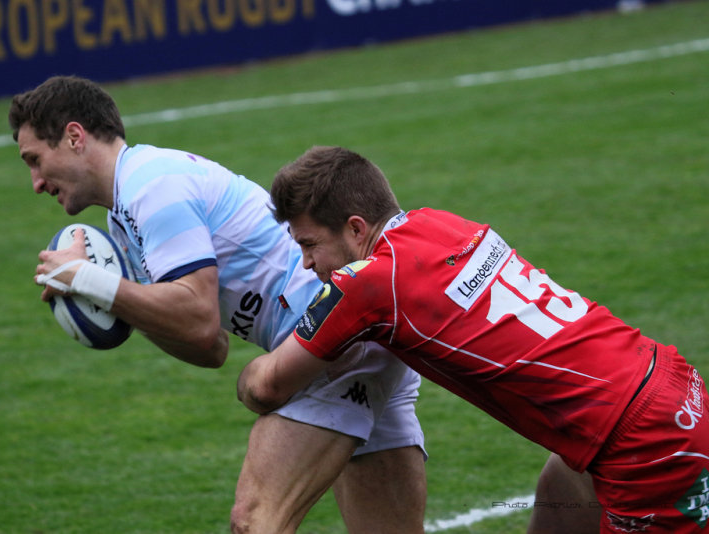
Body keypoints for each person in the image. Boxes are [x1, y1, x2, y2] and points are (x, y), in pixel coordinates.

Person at [8, 77, 428, 533]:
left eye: (35, 160)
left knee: (255, 521)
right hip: (349, 331)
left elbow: (199, 321)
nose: (35, 182)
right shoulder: (125, 214)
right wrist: (113, 295)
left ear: (74, 137)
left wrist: (93, 280)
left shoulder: (152, 186)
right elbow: (210, 349)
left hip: (330, 336)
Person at [237, 145, 709, 533]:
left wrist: (246, 369)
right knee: (563, 486)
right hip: (666, 384)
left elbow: (267, 387)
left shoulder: (367, 282)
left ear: (356, 228)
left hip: (644, 443)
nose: (305, 263)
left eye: (309, 244)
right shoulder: (441, 223)